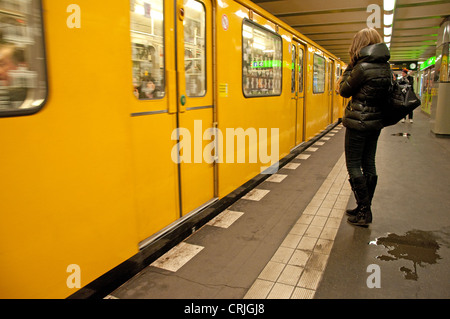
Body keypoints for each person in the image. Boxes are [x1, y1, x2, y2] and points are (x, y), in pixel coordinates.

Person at [338, 28, 392, 227]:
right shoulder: (386, 67)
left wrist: (349, 66)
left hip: (358, 121)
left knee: (353, 165)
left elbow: (344, 90)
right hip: (375, 122)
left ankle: (364, 210)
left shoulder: (361, 67)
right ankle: (364, 207)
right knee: (369, 162)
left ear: (359, 45)